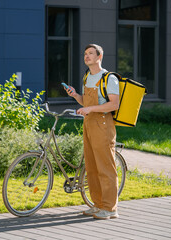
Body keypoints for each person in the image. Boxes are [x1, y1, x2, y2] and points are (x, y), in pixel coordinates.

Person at [63, 44, 120, 220]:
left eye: (90, 54)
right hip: (89, 124)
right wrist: (75, 96)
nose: (86, 56)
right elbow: (85, 103)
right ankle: (98, 205)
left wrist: (91, 109)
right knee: (92, 167)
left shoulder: (109, 78)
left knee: (106, 167)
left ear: (99, 57)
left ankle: (110, 209)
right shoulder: (87, 77)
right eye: (85, 54)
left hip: (103, 124)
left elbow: (114, 104)